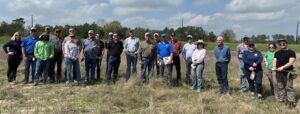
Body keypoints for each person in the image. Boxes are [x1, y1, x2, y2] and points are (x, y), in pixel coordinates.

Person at [272, 39, 297, 108]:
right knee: (280, 87)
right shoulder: (277, 53)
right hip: (278, 73)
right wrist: (274, 67)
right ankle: (282, 100)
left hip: (288, 72)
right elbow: (275, 61)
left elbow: (291, 62)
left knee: (289, 88)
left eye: (283, 43)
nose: (281, 45)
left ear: (286, 43)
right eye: (280, 44)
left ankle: (291, 102)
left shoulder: (291, 52)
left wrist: (282, 67)